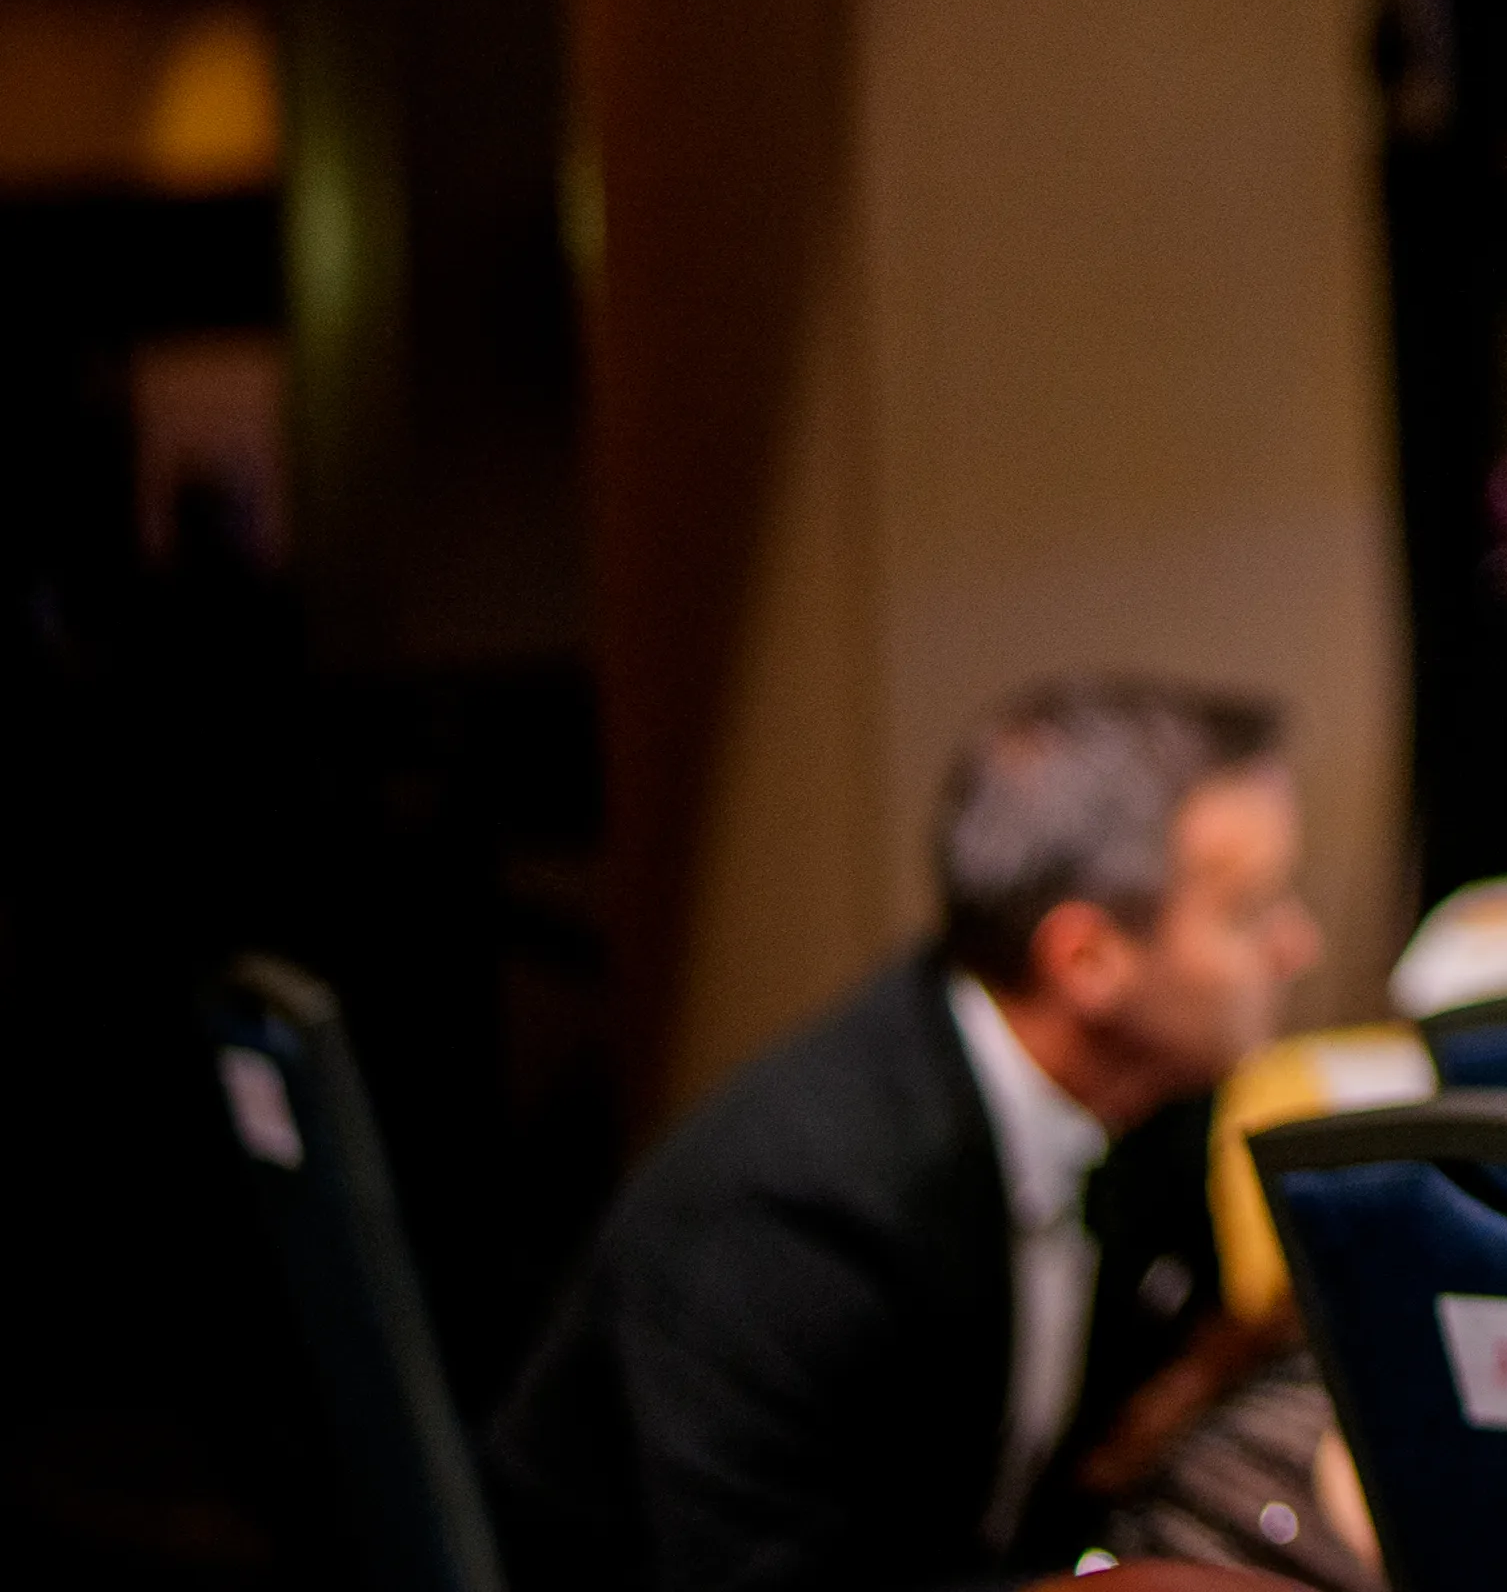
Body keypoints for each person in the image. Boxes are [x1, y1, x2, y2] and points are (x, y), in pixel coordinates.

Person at [488, 680, 1323, 1592]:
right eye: (1248, 912)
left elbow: (1129, 1419)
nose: (1299, 944)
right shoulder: (798, 1206)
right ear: (1086, 959)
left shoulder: (1156, 1094)